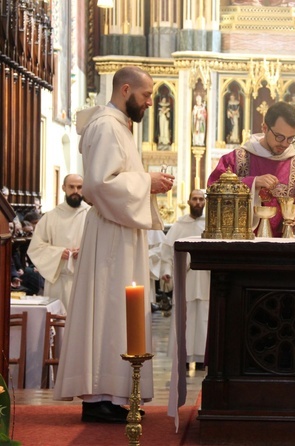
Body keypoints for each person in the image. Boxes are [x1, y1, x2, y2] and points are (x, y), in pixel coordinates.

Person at [53, 66, 175, 423]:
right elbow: (101, 185)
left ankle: (110, 393)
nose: (151, 102)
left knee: (116, 313)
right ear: (125, 90)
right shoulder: (107, 126)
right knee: (108, 311)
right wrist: (147, 181)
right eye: (147, 95)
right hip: (111, 234)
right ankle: (97, 397)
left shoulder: (118, 126)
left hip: (121, 231)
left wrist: (144, 182)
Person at [207, 101, 295, 237]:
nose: (284, 144)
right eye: (279, 137)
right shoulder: (237, 159)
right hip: (241, 247)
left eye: (290, 139)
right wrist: (252, 183)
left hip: (285, 251)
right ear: (265, 128)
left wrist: (294, 216)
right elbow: (214, 192)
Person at [160, 189, 209, 370]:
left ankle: (205, 356)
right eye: (194, 199)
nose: (197, 202)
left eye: (200, 199)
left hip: (205, 277)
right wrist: (167, 271)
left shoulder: (211, 224)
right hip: (185, 278)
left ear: (205, 203)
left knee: (204, 316)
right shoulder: (179, 226)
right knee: (186, 316)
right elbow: (166, 253)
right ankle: (185, 356)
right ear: (188, 201)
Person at [26, 174, 90, 310]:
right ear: (63, 188)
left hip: (85, 281)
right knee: (59, 322)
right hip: (58, 282)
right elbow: (35, 248)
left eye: (79, 187)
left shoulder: (91, 216)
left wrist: (86, 251)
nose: (75, 191)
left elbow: (102, 247)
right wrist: (59, 253)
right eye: (71, 187)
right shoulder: (51, 216)